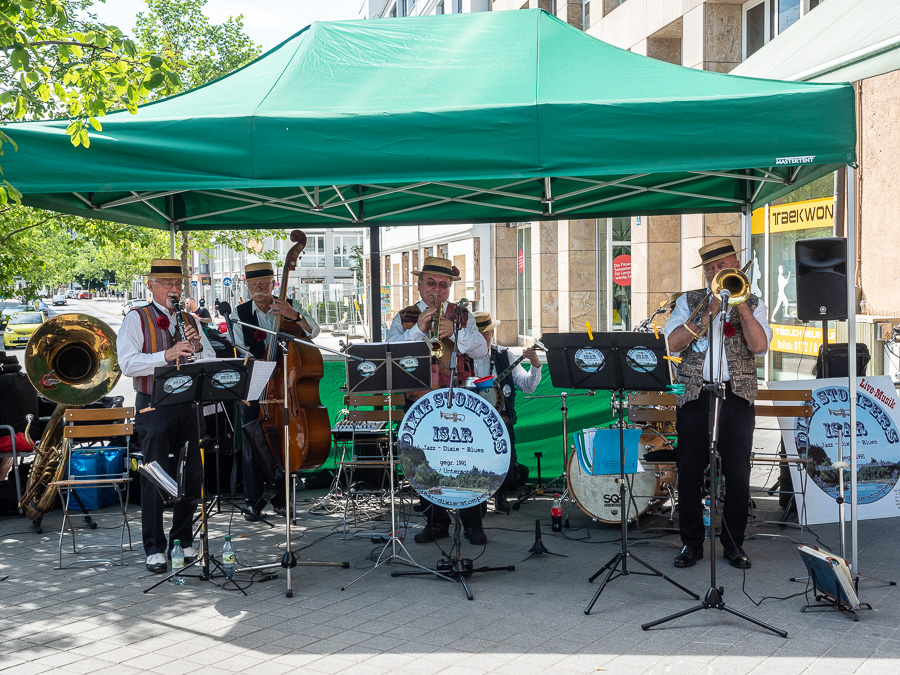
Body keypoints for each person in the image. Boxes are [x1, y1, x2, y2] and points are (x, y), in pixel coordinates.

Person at [664, 239, 773, 570]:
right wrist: (706, 313)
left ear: (736, 266)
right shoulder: (687, 301)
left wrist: (741, 306)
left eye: (722, 266)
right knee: (690, 470)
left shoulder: (754, 302)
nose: (715, 272)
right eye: (710, 268)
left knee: (738, 473)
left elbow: (760, 346)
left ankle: (734, 544)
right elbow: (672, 343)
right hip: (695, 395)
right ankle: (691, 543)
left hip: (736, 395)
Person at [116, 259, 216, 573]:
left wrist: (197, 346)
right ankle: (154, 548)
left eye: (178, 284)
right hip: (153, 405)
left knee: (191, 475)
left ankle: (183, 540)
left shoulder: (189, 318)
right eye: (167, 284)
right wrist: (166, 355)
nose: (174, 290)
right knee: (155, 475)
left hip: (188, 404)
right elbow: (128, 364)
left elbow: (210, 357)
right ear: (151, 286)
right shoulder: (136, 318)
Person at [387, 256, 489, 544]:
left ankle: (472, 523)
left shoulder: (463, 315)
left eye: (443, 285)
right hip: (419, 401)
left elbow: (481, 350)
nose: (437, 289)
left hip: (459, 399)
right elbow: (390, 352)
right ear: (419, 285)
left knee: (467, 458)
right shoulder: (404, 317)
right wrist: (417, 331)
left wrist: (456, 333)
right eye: (431, 283)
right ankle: (435, 522)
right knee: (424, 460)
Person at [231, 262, 320, 520]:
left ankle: (283, 501)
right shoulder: (239, 314)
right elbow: (240, 351)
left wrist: (294, 316)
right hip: (254, 385)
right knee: (251, 443)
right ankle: (253, 501)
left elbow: (314, 331)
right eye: (253, 284)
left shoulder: (289, 306)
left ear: (274, 284)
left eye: (263, 283)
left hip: (285, 385)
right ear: (247, 286)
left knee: (285, 442)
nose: (258, 288)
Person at [471, 311, 542, 513]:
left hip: (499, 415)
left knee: (504, 428)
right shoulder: (462, 357)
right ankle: (474, 496)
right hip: (470, 416)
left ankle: (500, 492)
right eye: (477, 335)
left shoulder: (504, 355)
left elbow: (527, 387)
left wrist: (536, 365)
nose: (482, 339)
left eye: (486, 333)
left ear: (492, 333)